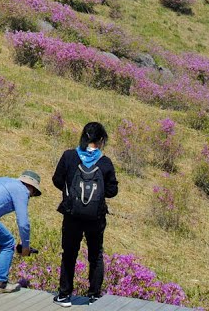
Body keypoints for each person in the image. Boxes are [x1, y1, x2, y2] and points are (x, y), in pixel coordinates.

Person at [52, 122, 119, 307]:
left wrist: (71, 195)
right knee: (95, 255)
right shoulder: (105, 162)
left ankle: (64, 295)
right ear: (101, 139)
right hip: (96, 218)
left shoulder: (69, 156)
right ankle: (94, 296)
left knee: (69, 254)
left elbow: (57, 179)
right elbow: (113, 191)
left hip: (72, 214)